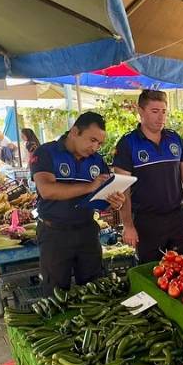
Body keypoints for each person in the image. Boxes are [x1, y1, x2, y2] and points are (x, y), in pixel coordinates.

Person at [30, 111, 126, 294]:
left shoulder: (97, 161)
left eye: (99, 143)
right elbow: (47, 190)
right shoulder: (46, 152)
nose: (95, 147)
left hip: (87, 232)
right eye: (92, 140)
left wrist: (114, 201)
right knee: (55, 292)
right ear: (74, 131)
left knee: (94, 290)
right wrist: (90, 187)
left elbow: (101, 198)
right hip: (54, 233)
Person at [114, 90, 183, 263]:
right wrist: (128, 226)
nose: (160, 117)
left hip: (177, 217)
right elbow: (122, 188)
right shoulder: (128, 144)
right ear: (141, 111)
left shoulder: (175, 139)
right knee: (152, 271)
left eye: (164, 111)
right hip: (147, 222)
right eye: (155, 111)